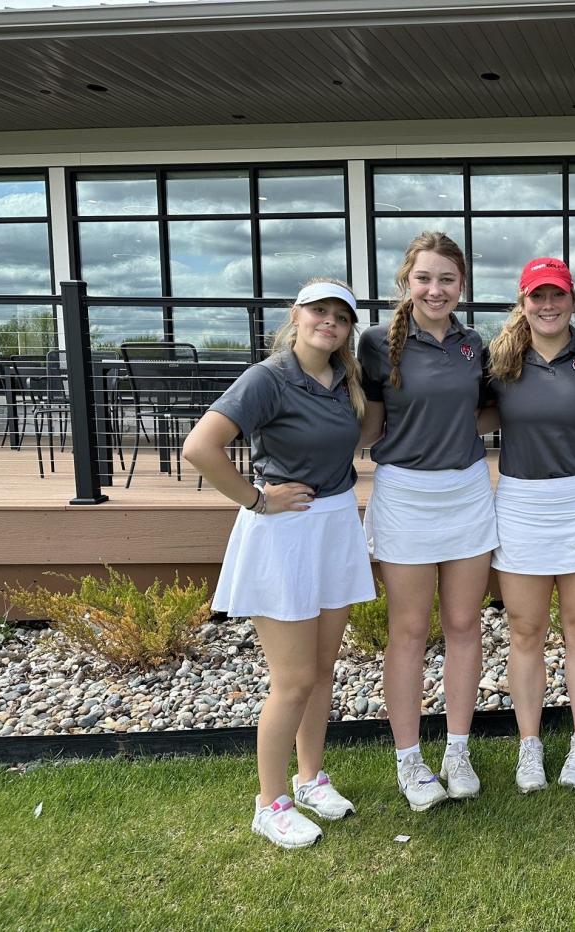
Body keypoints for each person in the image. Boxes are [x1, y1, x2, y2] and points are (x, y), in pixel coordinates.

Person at [182, 278, 375, 849]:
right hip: (283, 531)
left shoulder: (346, 381)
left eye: (341, 316)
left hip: (335, 523)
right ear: (296, 316)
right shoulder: (268, 377)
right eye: (319, 310)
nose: (329, 322)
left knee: (320, 672)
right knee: (291, 681)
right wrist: (257, 499)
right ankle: (270, 803)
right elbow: (200, 447)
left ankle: (311, 777)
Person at [358, 231, 495, 811]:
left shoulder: (475, 344)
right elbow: (364, 422)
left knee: (465, 627)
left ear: (461, 285)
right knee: (410, 633)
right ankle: (409, 760)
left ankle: (457, 750)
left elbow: (486, 408)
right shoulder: (372, 344)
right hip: (405, 495)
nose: (435, 289)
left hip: (466, 491)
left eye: (447, 279)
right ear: (405, 283)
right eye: (424, 278)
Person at [485, 257, 575, 793]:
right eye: (537, 296)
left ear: (573, 302)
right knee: (526, 630)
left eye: (556, 295)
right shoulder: (500, 361)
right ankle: (530, 743)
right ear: (523, 303)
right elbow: (472, 416)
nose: (547, 305)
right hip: (521, 503)